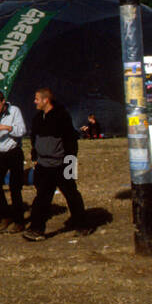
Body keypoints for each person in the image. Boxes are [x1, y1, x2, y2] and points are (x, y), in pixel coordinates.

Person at [24, 87, 88, 241]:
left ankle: (82, 225)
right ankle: (36, 229)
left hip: (62, 163)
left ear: (46, 100)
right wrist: (35, 157)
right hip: (44, 165)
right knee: (41, 198)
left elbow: (70, 140)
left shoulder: (61, 116)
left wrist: (70, 163)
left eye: (37, 99)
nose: (34, 102)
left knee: (71, 194)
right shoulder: (38, 118)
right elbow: (34, 139)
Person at [0, 90, 27, 232]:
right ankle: (6, 215)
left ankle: (19, 221)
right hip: (1, 153)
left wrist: (7, 128)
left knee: (15, 188)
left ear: (3, 101)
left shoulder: (15, 111)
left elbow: (22, 130)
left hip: (14, 152)